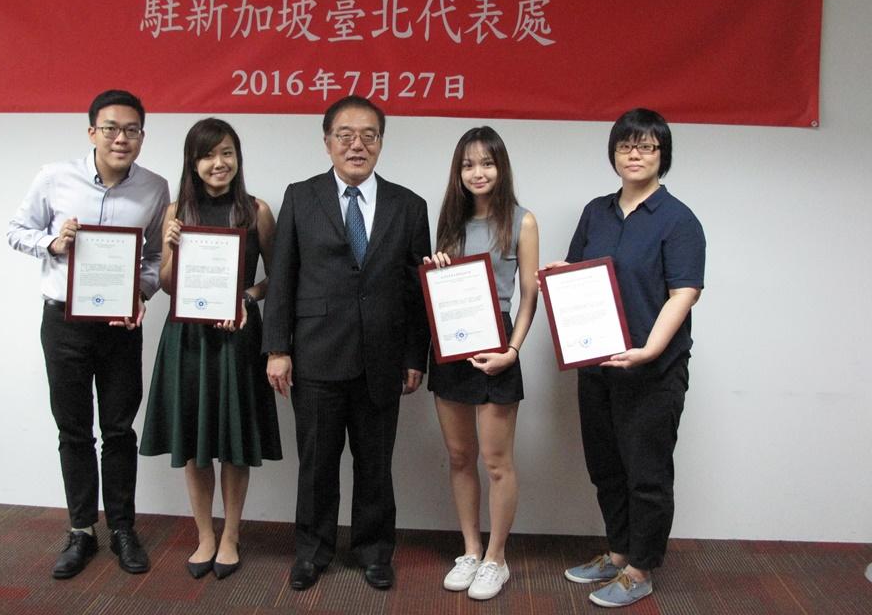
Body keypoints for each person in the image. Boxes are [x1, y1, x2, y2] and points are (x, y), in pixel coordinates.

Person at [262, 95, 431, 592]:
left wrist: (412, 356)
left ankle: (375, 552)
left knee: (376, 464)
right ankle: (312, 552)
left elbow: (415, 291)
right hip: (316, 355)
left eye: (368, 136)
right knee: (316, 464)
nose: (357, 145)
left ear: (381, 142)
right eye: (345, 135)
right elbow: (283, 277)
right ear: (327, 141)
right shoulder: (301, 196)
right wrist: (277, 348)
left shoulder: (409, 205)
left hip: (382, 359)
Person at [543, 108, 705, 608]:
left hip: (652, 371)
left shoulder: (678, 220)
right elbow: (579, 270)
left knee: (647, 473)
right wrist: (556, 274)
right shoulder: (596, 210)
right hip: (597, 365)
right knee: (606, 466)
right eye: (625, 146)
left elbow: (684, 293)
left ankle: (640, 568)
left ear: (663, 156)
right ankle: (617, 552)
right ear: (613, 153)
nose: (634, 154)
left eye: (647, 146)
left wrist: (650, 350)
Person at [6, 89, 169, 579]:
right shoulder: (55, 177)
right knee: (74, 429)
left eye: (132, 130)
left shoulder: (155, 188)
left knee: (119, 429)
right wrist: (53, 242)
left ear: (143, 135)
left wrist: (139, 294)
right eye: (112, 128)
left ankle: (122, 528)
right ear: (92, 131)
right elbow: (16, 229)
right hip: (64, 323)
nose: (122, 138)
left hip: (119, 328)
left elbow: (157, 260)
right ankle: (81, 531)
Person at [139, 118, 282, 580]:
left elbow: (277, 280)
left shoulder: (256, 210)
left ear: (237, 158)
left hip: (238, 336)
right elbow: (164, 284)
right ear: (193, 162)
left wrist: (245, 299)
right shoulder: (177, 211)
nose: (218, 163)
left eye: (227, 153)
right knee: (195, 439)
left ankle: (232, 535)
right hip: (189, 338)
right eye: (208, 155)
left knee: (235, 444)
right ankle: (204, 534)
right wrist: (173, 248)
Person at [424, 126, 539, 601]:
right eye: (468, 164)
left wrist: (512, 351)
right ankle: (470, 549)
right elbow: (442, 290)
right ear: (459, 171)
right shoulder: (449, 221)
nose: (478, 172)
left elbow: (530, 293)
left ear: (501, 167)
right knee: (458, 456)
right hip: (451, 343)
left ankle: (496, 558)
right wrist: (436, 271)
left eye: (486, 163)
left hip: (498, 344)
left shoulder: (522, 220)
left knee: (496, 462)